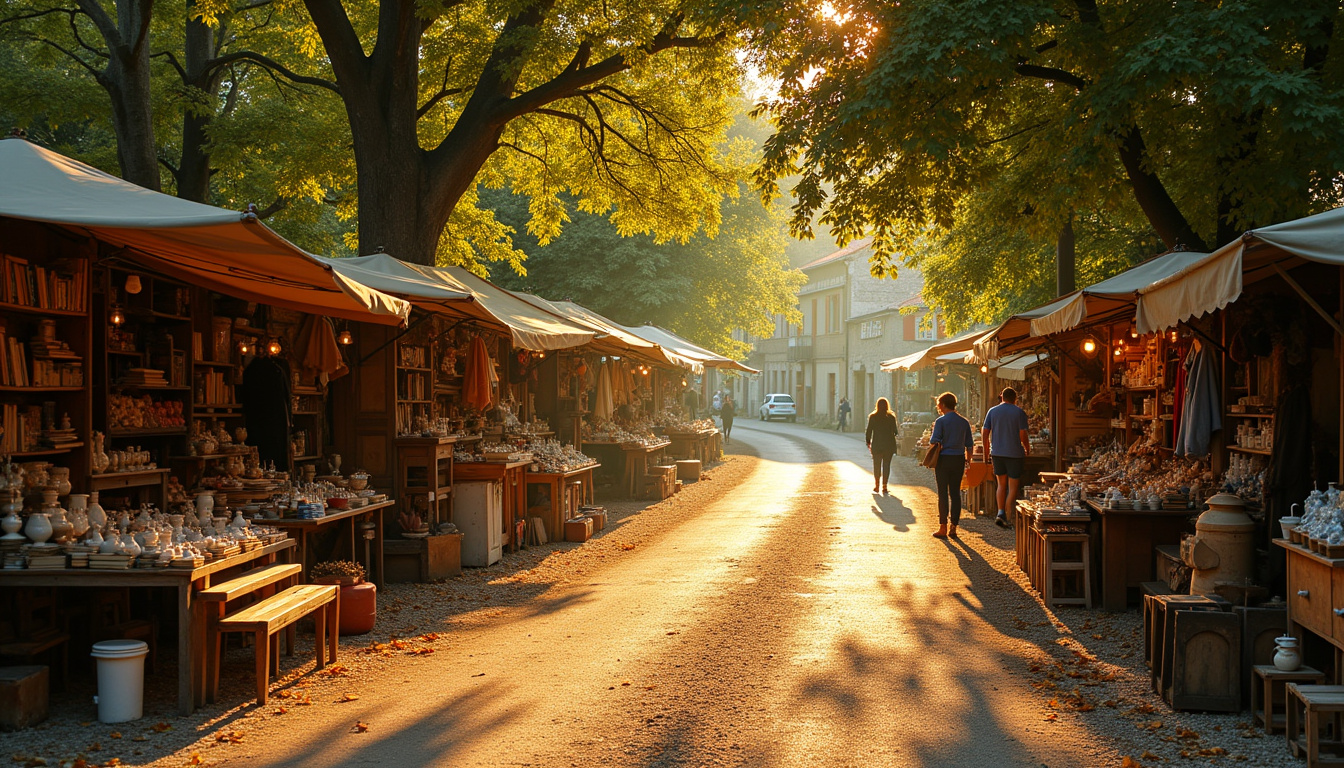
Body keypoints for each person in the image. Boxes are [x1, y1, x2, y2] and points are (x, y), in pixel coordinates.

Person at [982, 386, 1032, 528]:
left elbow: (985, 433)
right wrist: (1027, 448)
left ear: (1001, 396)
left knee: (1001, 484)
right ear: (1015, 399)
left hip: (997, 453)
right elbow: (1023, 434)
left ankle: (1000, 512)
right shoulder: (1019, 412)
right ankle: (1009, 517)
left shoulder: (992, 411)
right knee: (1013, 486)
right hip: (1015, 454)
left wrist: (987, 454)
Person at [929, 391, 975, 539]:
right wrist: (968, 460)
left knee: (942, 493)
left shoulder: (940, 421)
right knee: (955, 493)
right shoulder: (964, 422)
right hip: (958, 460)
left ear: (942, 405)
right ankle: (954, 527)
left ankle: (943, 527)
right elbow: (969, 445)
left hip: (943, 460)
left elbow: (934, 441)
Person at [865, 397, 899, 495]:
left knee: (877, 465)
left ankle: (876, 485)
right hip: (888, 445)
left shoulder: (873, 417)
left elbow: (869, 431)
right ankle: (884, 486)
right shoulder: (891, 417)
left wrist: (868, 442)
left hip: (877, 445)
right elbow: (895, 432)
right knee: (886, 465)